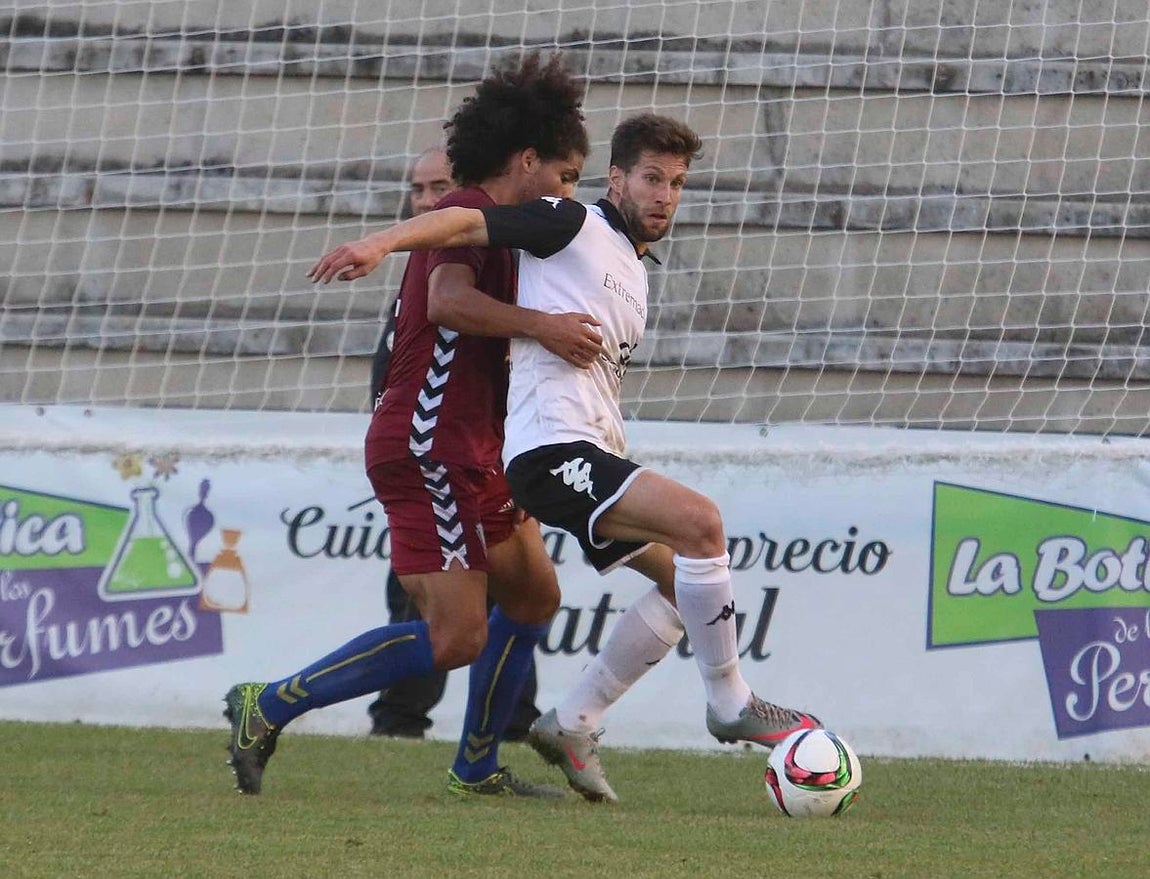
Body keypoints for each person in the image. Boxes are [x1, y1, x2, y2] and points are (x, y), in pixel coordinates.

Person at [308, 113, 822, 803]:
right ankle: (730, 700)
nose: (664, 195)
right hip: (550, 453)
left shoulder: (632, 273)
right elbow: (462, 224)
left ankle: (575, 720)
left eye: (676, 183)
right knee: (702, 524)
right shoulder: (572, 224)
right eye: (650, 178)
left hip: (590, 451)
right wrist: (383, 241)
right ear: (616, 179)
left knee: (682, 582)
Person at [223, 52, 600, 798]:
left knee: (532, 597)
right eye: (563, 176)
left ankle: (477, 764)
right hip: (431, 440)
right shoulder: (465, 210)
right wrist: (544, 326)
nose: (566, 195)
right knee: (458, 636)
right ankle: (266, 702)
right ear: (527, 159)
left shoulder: (500, 227)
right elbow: (448, 305)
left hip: (475, 446)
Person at [367, 146, 542, 741]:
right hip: (432, 452)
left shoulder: (488, 245)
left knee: (530, 596)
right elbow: (394, 370)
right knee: (453, 625)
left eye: (436, 186)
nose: (425, 200)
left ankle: (507, 732)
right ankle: (393, 721)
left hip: (483, 456)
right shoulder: (439, 264)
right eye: (417, 190)